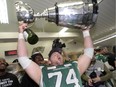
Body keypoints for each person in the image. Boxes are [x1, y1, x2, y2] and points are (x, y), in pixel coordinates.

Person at [17, 23, 94, 87]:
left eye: (59, 53)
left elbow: (89, 52)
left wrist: (85, 31)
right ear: (49, 61)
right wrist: (20, 33)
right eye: (54, 54)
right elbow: (23, 58)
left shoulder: (74, 66)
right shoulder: (41, 72)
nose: (58, 54)